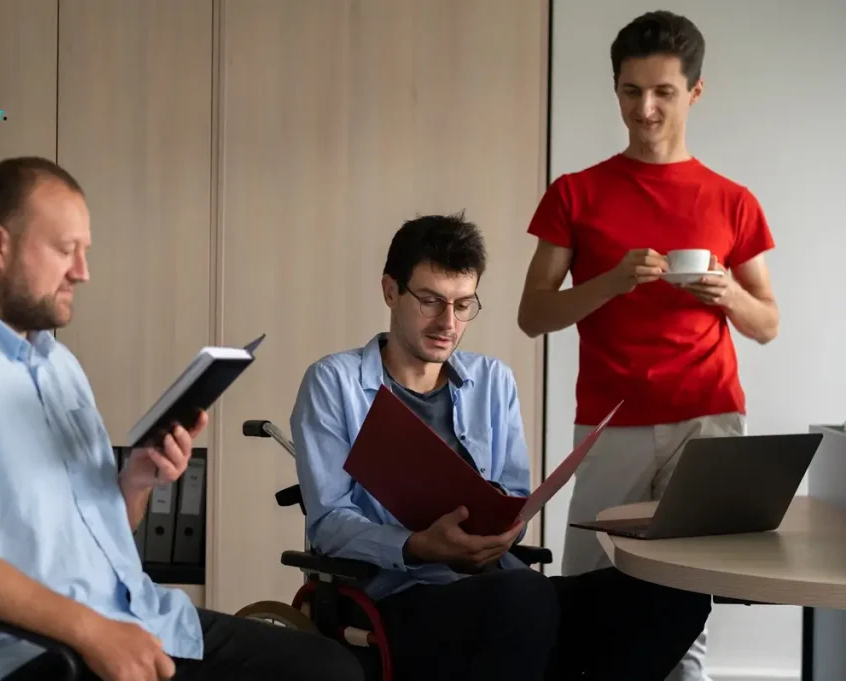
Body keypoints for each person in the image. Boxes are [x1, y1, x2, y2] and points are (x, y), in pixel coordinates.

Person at [0, 156, 363, 681]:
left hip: (126, 619)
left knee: (331, 668)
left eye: (85, 251)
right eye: (66, 250)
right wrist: (90, 631)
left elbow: (97, 534)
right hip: (18, 653)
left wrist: (135, 483)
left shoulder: (56, 364)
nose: (83, 272)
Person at [290, 213, 712, 681]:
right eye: (430, 301)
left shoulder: (492, 381)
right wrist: (418, 546)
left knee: (675, 592)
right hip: (397, 599)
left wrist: (503, 532)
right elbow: (328, 522)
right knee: (524, 597)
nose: (447, 322)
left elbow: (514, 500)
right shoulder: (334, 382)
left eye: (463, 304)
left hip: (501, 588)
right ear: (391, 291)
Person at [516, 10, 779, 681]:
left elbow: (767, 322)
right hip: (612, 418)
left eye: (663, 91)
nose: (646, 108)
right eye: (632, 91)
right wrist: (609, 281)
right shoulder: (576, 192)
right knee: (583, 591)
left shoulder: (733, 200)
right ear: (616, 90)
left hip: (707, 414)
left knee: (689, 600)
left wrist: (725, 293)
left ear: (695, 92)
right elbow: (532, 314)